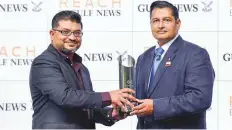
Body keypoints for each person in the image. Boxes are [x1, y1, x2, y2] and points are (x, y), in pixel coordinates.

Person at [29, 10, 136, 129]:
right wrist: (109, 96)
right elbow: (65, 97)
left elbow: (86, 106)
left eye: (77, 33)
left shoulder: (81, 67)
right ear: (52, 34)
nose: (72, 37)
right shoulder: (44, 62)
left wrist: (111, 114)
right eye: (65, 32)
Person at [131, 1, 215, 129]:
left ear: (178, 23)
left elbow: (200, 99)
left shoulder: (196, 54)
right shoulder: (143, 58)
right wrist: (126, 105)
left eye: (166, 20)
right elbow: (141, 99)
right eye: (155, 21)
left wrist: (155, 107)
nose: (160, 25)